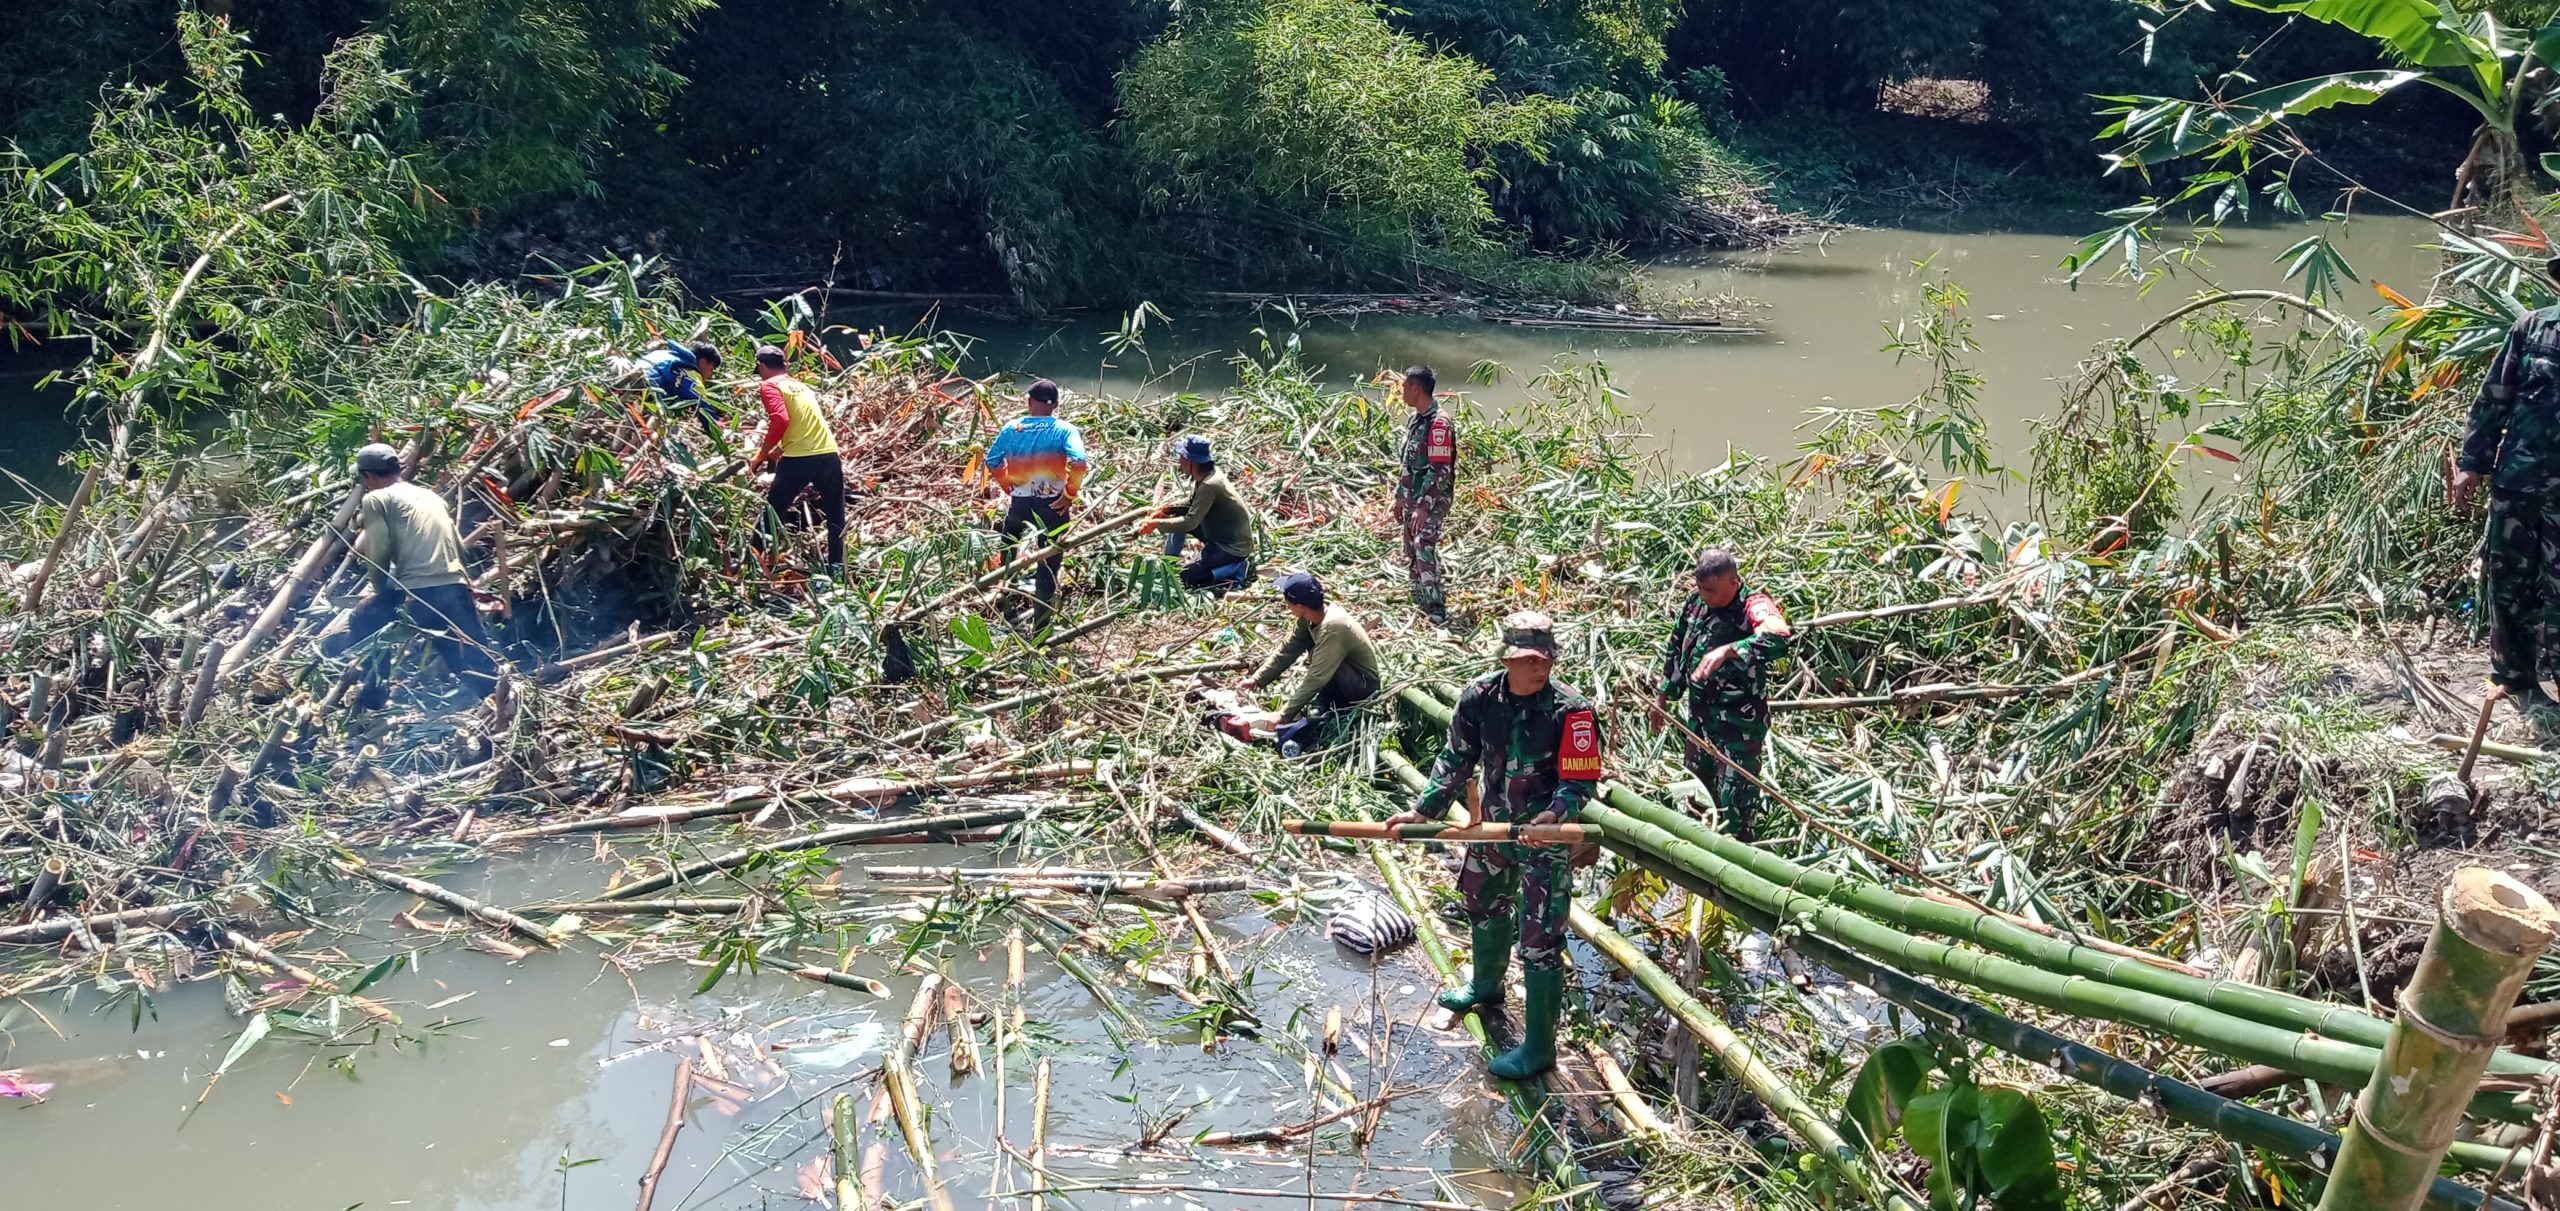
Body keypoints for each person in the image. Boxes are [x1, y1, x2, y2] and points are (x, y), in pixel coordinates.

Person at [1383, 610, 1601, 1079]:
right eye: (1528, 659)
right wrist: (1424, 812)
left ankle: (1540, 1048)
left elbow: (1580, 781)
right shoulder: (1480, 697)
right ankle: (1485, 985)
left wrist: (1555, 815)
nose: (1539, 667)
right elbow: (1456, 759)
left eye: (1545, 658)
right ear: (1507, 659)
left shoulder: (1573, 711)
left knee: (1541, 939)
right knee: (1481, 901)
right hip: (1492, 828)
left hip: (1544, 837)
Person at [322, 444, 499, 706]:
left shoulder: (376, 499)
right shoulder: (430, 497)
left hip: (421, 591)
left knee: (365, 623)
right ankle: (498, 700)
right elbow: (457, 544)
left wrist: (378, 593)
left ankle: (374, 696)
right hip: (455, 583)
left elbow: (378, 552)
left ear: (369, 476)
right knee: (467, 655)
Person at [2457, 271, 2560, 718]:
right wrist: (2471, 464)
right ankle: (2514, 677)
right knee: (2507, 579)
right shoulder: (2531, 328)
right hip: (2517, 481)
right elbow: (2493, 398)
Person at [1651, 548, 1791, 840]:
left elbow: (1778, 636)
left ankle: (1738, 861)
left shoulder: (1752, 604)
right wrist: (1664, 695)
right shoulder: (1696, 602)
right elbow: (1677, 645)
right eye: (1701, 588)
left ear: (1733, 581)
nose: (1705, 596)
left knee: (1734, 802)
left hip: (1737, 724)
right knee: (1695, 791)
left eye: (1712, 590)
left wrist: (1729, 651)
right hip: (1699, 720)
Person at [1241, 572, 1379, 754]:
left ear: (1299, 606)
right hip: (1338, 680)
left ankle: (1330, 708)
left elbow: (1316, 677)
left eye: (1288, 603)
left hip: (1362, 687)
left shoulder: (1333, 627)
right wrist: (1258, 679)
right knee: (1316, 662)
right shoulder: (1309, 618)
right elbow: (1288, 649)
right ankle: (1324, 706)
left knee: (1317, 657)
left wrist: (1283, 714)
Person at [984, 378, 1091, 608]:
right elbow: (1080, 463)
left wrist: (1007, 485)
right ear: (1056, 405)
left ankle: (1007, 587)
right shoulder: (1064, 430)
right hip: (1053, 504)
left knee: (1010, 536)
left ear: (1029, 401)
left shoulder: (1012, 428)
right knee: (1050, 553)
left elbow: (992, 461)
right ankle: (1043, 610)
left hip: (1021, 502)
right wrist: (1069, 494)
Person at [751, 344, 846, 568]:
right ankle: (836, 567)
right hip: (828, 453)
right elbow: (805, 424)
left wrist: (761, 454)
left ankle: (753, 560)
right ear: (784, 365)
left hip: (800, 459)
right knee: (836, 513)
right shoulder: (802, 387)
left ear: (762, 366)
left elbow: (781, 419)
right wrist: (779, 449)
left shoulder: (769, 385)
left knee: (772, 510)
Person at [1150, 435, 1255, 590]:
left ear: (1190, 461)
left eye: (1181, 457)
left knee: (1187, 577)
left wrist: (1155, 524)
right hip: (1219, 532)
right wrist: (1167, 509)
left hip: (1232, 547)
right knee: (1177, 519)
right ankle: (1168, 562)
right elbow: (1191, 503)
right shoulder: (1207, 475)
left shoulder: (1209, 485)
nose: (1179, 462)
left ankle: (1235, 568)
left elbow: (1189, 523)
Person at [1394, 365, 1455, 624]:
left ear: (1416, 388)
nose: (1402, 392)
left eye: (1405, 387)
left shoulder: (1439, 423)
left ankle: (1435, 606)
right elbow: (1408, 462)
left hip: (1432, 498)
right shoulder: (1417, 419)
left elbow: (1440, 470)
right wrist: (1399, 495)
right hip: (1413, 496)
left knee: (1423, 545)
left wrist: (1424, 507)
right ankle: (1418, 594)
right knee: (1410, 545)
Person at [637, 339, 724, 439]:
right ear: (703, 362)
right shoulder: (690, 371)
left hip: (630, 380)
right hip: (647, 388)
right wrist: (716, 426)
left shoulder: (665, 354)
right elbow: (698, 400)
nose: (710, 375)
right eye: (711, 369)